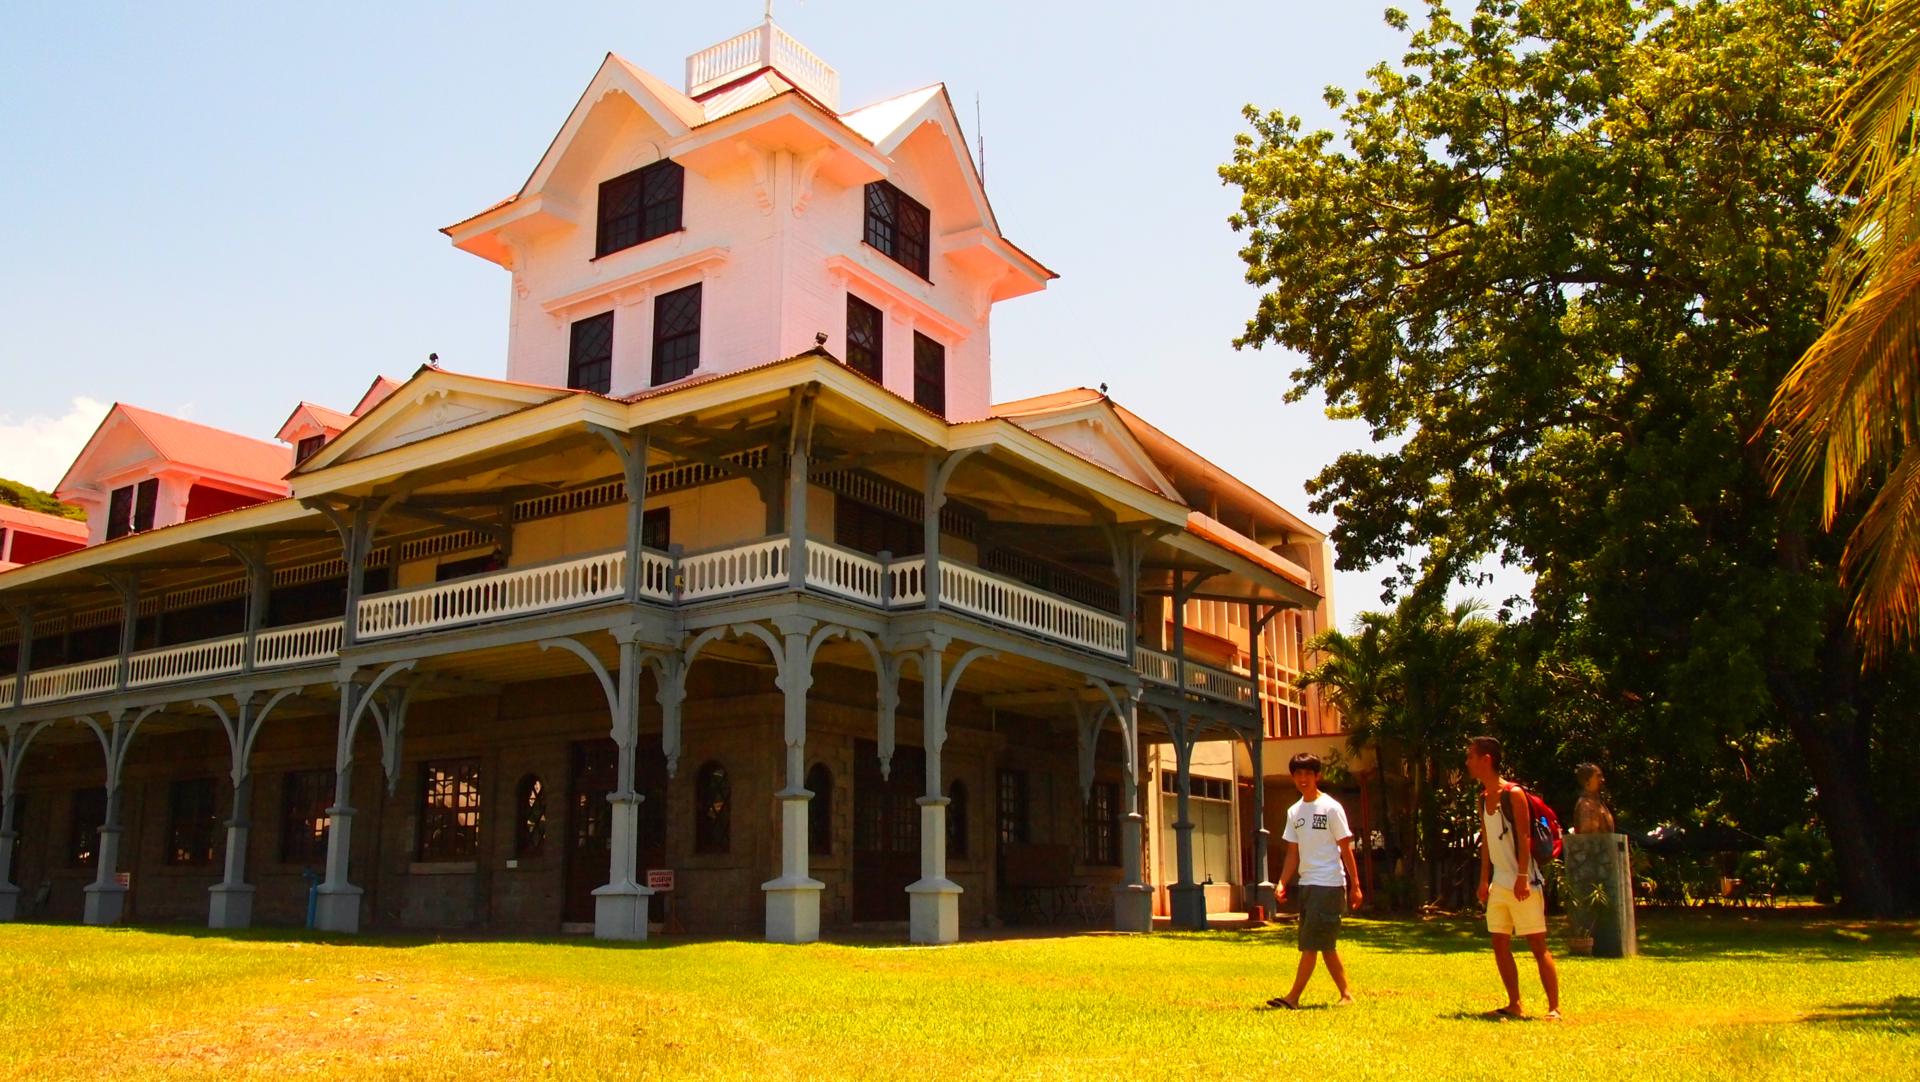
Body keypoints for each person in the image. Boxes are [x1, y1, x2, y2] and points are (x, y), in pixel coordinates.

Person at [1467, 735, 1561, 1021]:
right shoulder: (1483, 798)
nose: (1467, 762)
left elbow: (1524, 836)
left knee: (1536, 943)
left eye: (1471, 756)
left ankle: (1554, 1007)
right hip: (1500, 882)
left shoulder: (1514, 793)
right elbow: (1486, 842)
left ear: (1487, 760)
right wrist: (1484, 880)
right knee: (1499, 942)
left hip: (1523, 880)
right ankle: (1514, 1002)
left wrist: (1522, 875)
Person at [1267, 752, 1363, 1009]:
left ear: (1317, 776)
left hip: (1329, 884)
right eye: (1298, 774)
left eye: (1308, 773)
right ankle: (1346, 994)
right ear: (1293, 777)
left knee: (1311, 944)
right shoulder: (1294, 811)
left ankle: (1292, 998)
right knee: (1325, 944)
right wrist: (1282, 882)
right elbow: (1292, 852)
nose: (1303, 778)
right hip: (1307, 885)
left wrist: (1356, 885)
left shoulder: (1331, 808)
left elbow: (1346, 848)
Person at [1572, 762, 1615, 834]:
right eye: (1598, 776)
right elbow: (1589, 839)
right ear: (1587, 781)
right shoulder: (1585, 806)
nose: (1603, 779)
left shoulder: (1598, 803)